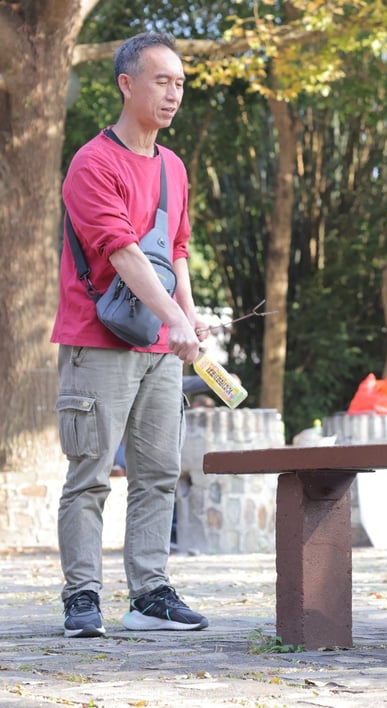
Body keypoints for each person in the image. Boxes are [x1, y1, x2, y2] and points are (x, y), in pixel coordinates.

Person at [52, 32, 209, 638]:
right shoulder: (93, 163)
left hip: (159, 347)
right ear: (126, 83)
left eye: (180, 83)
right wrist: (175, 318)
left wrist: (187, 315)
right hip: (98, 341)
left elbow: (177, 251)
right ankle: (82, 597)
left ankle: (149, 595)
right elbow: (122, 253)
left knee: (159, 473)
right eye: (161, 80)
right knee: (90, 475)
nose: (173, 94)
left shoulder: (173, 166)